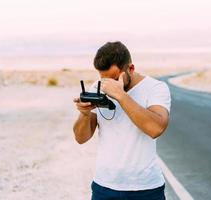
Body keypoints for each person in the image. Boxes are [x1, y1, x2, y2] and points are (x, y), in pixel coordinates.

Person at [73, 41, 171, 200]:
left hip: (146, 189)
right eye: (103, 79)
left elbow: (156, 128)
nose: (107, 84)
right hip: (104, 187)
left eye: (113, 78)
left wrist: (120, 95)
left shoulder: (156, 88)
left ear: (130, 69)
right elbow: (80, 138)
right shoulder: (97, 87)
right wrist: (84, 114)